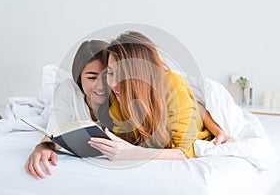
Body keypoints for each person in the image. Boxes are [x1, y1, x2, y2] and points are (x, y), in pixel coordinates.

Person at [88, 31, 233, 161]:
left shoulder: (173, 86)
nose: (113, 84)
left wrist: (132, 153)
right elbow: (121, 142)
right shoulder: (117, 98)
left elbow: (183, 151)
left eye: (122, 75)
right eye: (111, 73)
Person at [25, 40, 111, 179]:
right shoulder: (69, 89)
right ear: (79, 79)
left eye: (106, 77)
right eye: (92, 77)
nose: (100, 86)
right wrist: (43, 147)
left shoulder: (119, 95)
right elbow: (54, 132)